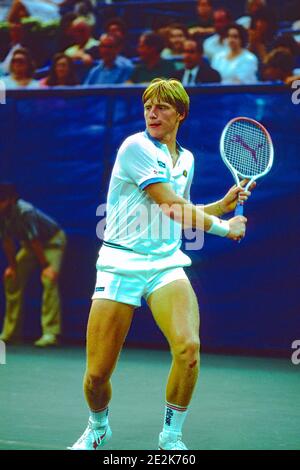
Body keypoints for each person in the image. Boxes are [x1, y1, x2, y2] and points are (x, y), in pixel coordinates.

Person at [69, 78, 254, 451]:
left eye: (162, 107)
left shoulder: (186, 159)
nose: (152, 113)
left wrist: (222, 204)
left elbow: (177, 212)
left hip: (166, 264)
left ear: (180, 114)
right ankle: (98, 426)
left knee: (188, 349)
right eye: (148, 106)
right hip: (120, 263)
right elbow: (170, 205)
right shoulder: (135, 147)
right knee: (96, 375)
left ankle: (171, 437)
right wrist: (224, 227)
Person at [0, 183, 67, 347]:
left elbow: (35, 240)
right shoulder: (1, 214)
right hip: (30, 247)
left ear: (11, 200)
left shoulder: (25, 211)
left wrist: (46, 267)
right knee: (11, 279)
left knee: (48, 279)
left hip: (52, 242)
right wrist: (13, 267)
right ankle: (10, 333)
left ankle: (51, 334)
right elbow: (7, 241)